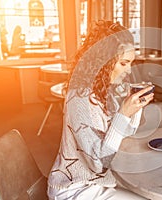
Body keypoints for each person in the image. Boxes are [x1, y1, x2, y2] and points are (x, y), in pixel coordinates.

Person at [47, 20, 154, 199]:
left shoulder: (103, 91)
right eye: (124, 63)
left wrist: (134, 107)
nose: (129, 70)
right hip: (75, 187)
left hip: (101, 180)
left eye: (130, 63)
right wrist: (123, 113)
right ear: (104, 61)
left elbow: (123, 134)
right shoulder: (80, 99)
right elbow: (99, 162)